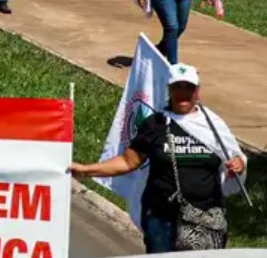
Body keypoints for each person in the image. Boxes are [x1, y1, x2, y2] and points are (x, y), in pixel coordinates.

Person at [69, 64, 247, 253]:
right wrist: (86, 170)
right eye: (177, 87)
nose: (183, 93)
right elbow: (128, 161)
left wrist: (239, 164)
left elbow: (234, 155)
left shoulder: (213, 125)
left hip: (205, 217)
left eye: (189, 87)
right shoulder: (155, 124)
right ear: (169, 90)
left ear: (197, 92)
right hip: (161, 218)